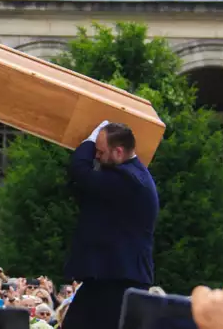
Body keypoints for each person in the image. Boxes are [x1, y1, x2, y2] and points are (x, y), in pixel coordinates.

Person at [62, 121, 159, 329]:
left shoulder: (128, 179)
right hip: (112, 275)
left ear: (118, 152)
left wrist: (91, 137)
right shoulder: (130, 175)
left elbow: (80, 169)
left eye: (100, 151)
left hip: (119, 279)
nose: (96, 155)